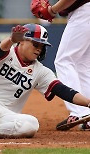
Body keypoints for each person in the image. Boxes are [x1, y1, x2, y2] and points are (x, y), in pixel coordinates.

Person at [43, 0, 90, 131]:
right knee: (82, 64)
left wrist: (52, 10)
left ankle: (79, 112)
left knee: (64, 61)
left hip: (85, 10)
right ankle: (87, 115)